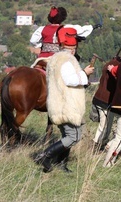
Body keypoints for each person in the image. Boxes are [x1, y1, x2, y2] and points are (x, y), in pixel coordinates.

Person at [34, 26, 95, 173]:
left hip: (59, 104)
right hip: (67, 105)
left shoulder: (55, 59)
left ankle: (61, 164)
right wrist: (84, 73)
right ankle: (46, 155)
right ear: (73, 47)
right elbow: (71, 80)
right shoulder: (66, 60)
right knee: (74, 137)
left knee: (67, 136)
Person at [91, 48, 121, 151]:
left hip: (102, 99)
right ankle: (95, 147)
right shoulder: (118, 66)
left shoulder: (113, 63)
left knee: (106, 126)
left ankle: (100, 145)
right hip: (105, 100)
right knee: (104, 126)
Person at [30, 6, 96, 58]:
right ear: (62, 18)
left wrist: (41, 45)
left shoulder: (42, 29)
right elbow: (82, 30)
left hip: (43, 56)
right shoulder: (66, 28)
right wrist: (92, 27)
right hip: (58, 57)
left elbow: (33, 41)